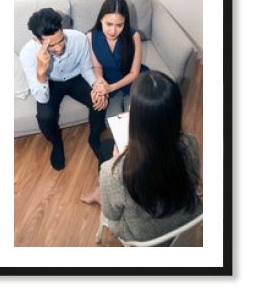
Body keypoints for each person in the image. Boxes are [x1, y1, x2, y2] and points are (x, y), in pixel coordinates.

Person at [81, 70, 202, 242]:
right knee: (107, 147)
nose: (129, 108)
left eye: (133, 106)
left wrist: (117, 162)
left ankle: (100, 192)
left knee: (106, 149)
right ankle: (101, 191)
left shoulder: (113, 172)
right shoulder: (190, 143)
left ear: (137, 118)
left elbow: (112, 220)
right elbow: (192, 182)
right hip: (187, 218)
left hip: (143, 237)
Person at [20, 8, 107, 171]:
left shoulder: (78, 38)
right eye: (52, 45)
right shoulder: (27, 53)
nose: (59, 48)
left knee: (99, 98)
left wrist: (97, 86)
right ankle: (56, 142)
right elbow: (42, 98)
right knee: (45, 117)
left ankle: (94, 138)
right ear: (37, 40)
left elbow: (86, 68)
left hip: (75, 77)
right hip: (50, 82)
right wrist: (41, 72)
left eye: (61, 40)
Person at [87, 0, 147, 120]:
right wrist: (100, 81)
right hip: (108, 82)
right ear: (101, 19)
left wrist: (110, 87)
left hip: (132, 81)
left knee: (136, 119)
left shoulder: (134, 36)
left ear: (125, 22)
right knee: (113, 122)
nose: (113, 31)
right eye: (109, 24)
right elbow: (97, 66)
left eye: (119, 25)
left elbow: (134, 73)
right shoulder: (91, 36)